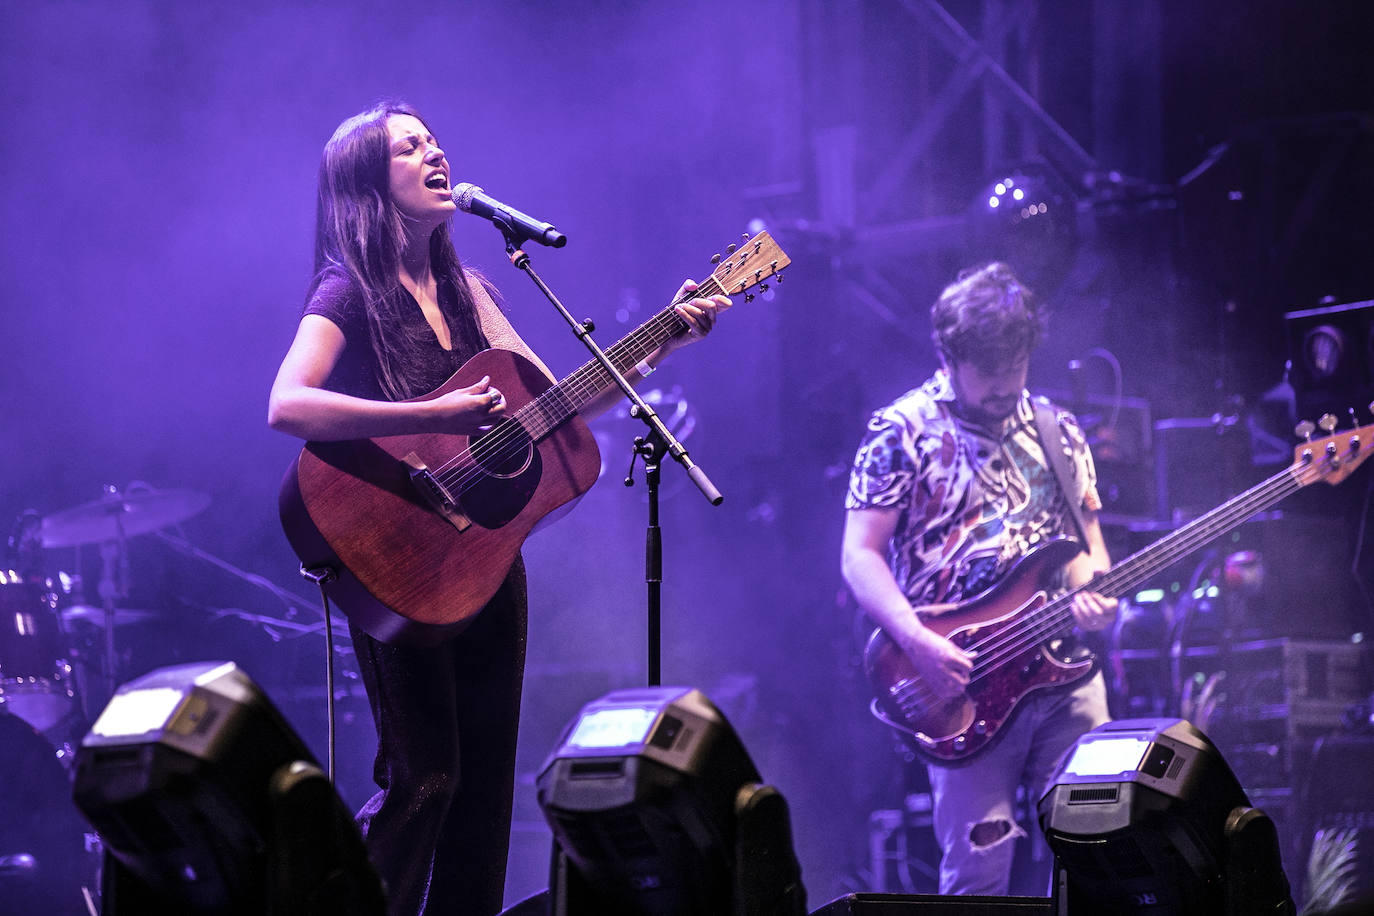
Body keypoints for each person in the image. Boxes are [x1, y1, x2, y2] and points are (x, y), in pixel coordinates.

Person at [267, 101, 731, 916]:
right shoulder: (348, 290)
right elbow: (289, 405)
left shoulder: (471, 286)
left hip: (481, 563)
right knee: (426, 780)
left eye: (435, 140)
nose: (435, 153)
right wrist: (428, 418)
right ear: (368, 185)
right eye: (410, 148)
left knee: (484, 792)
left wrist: (664, 338)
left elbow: (559, 404)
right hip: (394, 552)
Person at [840, 262, 1117, 896]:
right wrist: (916, 643)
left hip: (1063, 672)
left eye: (1014, 367)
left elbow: (1086, 549)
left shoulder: (1058, 430)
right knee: (980, 870)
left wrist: (1093, 590)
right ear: (947, 355)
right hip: (962, 679)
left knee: (1100, 852)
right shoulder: (900, 433)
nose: (1002, 386)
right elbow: (860, 556)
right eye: (987, 371)